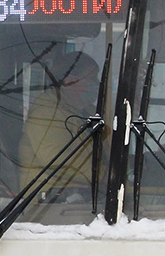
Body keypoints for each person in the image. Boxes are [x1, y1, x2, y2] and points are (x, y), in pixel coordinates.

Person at [17, 52, 102, 195]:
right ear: (69, 82)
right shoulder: (46, 113)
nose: (97, 85)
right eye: (92, 79)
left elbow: (107, 150)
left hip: (83, 196)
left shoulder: (86, 111)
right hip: (49, 204)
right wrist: (105, 175)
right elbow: (58, 162)